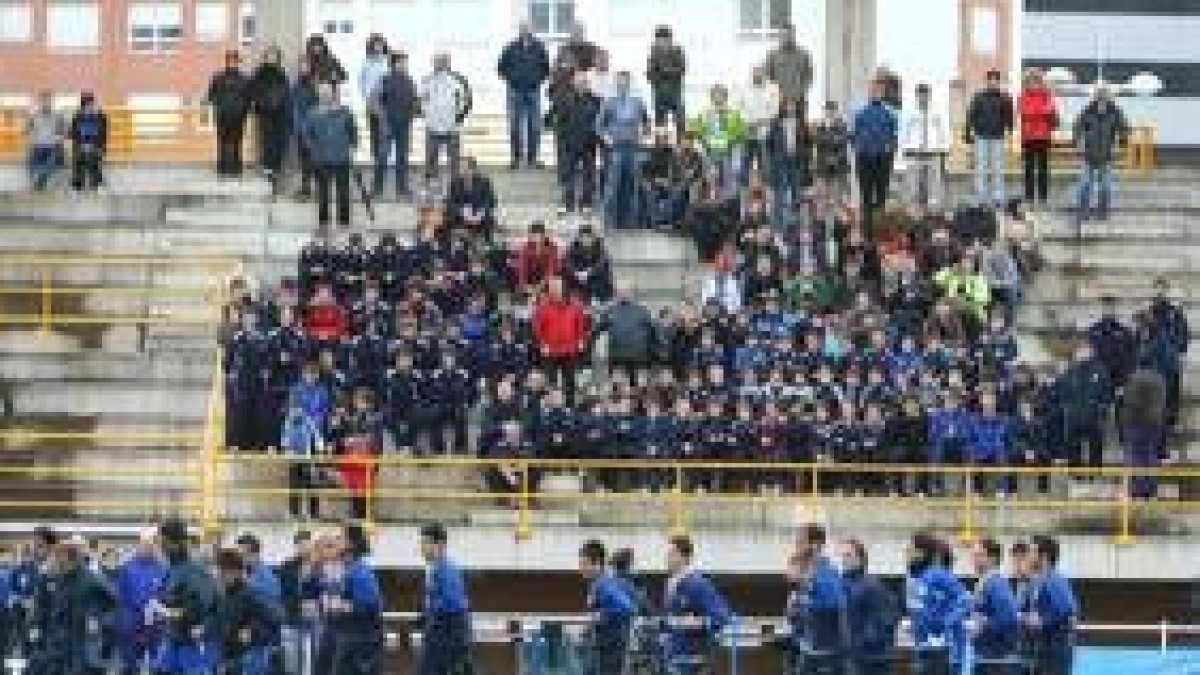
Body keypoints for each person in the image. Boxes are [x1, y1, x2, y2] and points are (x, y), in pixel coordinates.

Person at [28, 541, 115, 674]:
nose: (56, 562)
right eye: (56, 558)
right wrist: (35, 629)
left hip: (82, 643)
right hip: (56, 643)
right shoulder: (53, 578)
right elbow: (41, 606)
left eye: (59, 558)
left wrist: (99, 621)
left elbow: (112, 603)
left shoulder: (92, 579)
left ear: (71, 559)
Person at [151, 518, 221, 675]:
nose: (160, 547)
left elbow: (204, 607)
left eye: (163, 542)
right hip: (173, 639)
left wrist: (170, 613)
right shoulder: (171, 570)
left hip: (193, 645)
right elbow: (165, 598)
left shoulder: (194, 572)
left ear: (176, 543)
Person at [311, 528, 384, 674]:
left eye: (340, 538)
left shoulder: (361, 573)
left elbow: (369, 607)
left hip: (358, 646)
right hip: (345, 640)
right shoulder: (346, 570)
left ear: (350, 545)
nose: (335, 542)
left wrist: (340, 606)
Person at [663, 535, 731, 675]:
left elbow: (722, 616)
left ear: (686, 558)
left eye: (672, 554)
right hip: (673, 656)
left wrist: (698, 622)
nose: (667, 558)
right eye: (668, 554)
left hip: (693, 659)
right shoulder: (671, 583)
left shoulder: (698, 584)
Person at [785, 524, 846, 674]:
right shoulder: (804, 573)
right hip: (806, 649)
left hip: (825, 654)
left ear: (815, 545)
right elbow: (797, 615)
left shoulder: (827, 573)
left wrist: (802, 602)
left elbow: (832, 606)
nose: (797, 546)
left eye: (801, 542)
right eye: (797, 542)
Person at [905, 532, 969, 674]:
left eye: (910, 550)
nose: (907, 553)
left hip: (942, 652)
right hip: (922, 648)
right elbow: (921, 610)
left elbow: (964, 600)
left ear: (921, 553)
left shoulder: (938, 575)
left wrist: (944, 626)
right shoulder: (916, 578)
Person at [214, 548, 282, 675]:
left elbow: (276, 618)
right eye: (219, 571)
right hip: (229, 657)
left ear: (238, 572)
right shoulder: (221, 596)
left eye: (225, 572)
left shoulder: (250, 594)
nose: (220, 575)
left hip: (249, 658)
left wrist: (252, 630)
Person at [596, 71, 650, 228]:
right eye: (620, 81)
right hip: (616, 148)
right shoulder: (609, 102)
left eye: (625, 81)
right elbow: (599, 125)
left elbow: (646, 122)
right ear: (616, 83)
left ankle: (627, 220)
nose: (623, 84)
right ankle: (609, 220)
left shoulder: (638, 102)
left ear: (629, 83)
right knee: (613, 185)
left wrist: (644, 137)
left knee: (630, 184)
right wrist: (608, 139)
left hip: (633, 148)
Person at [302, 83, 358, 232]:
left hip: (342, 158)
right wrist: (314, 150)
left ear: (332, 93)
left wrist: (351, 147)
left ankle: (344, 222)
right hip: (321, 160)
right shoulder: (312, 113)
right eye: (322, 92)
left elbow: (353, 132)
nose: (325, 94)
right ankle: (323, 222)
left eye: (327, 92)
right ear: (318, 94)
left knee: (343, 192)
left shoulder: (345, 112)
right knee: (323, 192)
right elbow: (306, 134)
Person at [418, 523, 473, 675]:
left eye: (425, 543)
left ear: (440, 544)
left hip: (447, 642)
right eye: (421, 543)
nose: (422, 548)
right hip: (440, 640)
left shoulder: (447, 570)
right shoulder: (436, 569)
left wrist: (431, 609)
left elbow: (453, 603)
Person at [546, 69, 602, 214]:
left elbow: (602, 121)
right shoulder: (562, 98)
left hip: (589, 143)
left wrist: (597, 136)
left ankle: (586, 203)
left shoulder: (596, 100)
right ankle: (567, 203)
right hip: (568, 143)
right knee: (568, 175)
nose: (582, 84)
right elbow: (549, 118)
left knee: (589, 174)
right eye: (579, 81)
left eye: (585, 82)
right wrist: (560, 131)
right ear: (573, 82)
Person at [577, 540, 636, 675]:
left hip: (611, 649)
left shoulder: (606, 584)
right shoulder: (597, 583)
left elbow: (627, 608)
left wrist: (601, 616)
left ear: (597, 563)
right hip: (600, 646)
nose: (581, 568)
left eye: (584, 564)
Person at [1073, 86, 1129, 225]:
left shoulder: (1115, 112)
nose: (1102, 97)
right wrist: (1078, 141)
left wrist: (1122, 141)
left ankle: (1103, 211)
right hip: (1089, 154)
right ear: (1096, 97)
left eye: (1105, 95)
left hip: (1107, 154)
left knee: (1105, 186)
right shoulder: (1088, 110)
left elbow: (1124, 128)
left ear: (1109, 97)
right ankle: (1083, 211)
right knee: (1085, 184)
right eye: (1100, 95)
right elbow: (1077, 126)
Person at [498, 21, 550, 169]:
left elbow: (546, 68)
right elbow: (501, 67)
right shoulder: (511, 47)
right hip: (515, 91)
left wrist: (537, 79)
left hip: (533, 91)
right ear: (519, 31)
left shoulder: (539, 47)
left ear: (531, 30)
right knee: (515, 125)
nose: (525, 30)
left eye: (527, 28)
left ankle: (533, 159)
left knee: (535, 126)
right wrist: (512, 78)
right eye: (522, 28)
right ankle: (516, 159)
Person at [1023, 536, 1078, 675]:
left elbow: (1068, 610)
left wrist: (1042, 621)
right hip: (1041, 650)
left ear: (1044, 556)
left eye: (1031, 552)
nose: (1027, 556)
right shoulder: (1037, 581)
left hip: (1055, 653)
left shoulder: (1054, 579)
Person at [114, 529, 167, 675]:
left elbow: (166, 596)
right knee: (130, 664)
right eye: (145, 544)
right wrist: (122, 621)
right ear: (139, 544)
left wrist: (160, 616)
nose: (148, 548)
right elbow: (120, 597)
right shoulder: (126, 568)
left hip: (156, 624)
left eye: (152, 545)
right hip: (131, 623)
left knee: (158, 664)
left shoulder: (163, 568)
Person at [840, 539, 896, 674]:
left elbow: (886, 620)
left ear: (861, 559)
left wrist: (861, 643)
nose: (844, 560)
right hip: (852, 657)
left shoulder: (872, 585)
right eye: (843, 556)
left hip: (870, 659)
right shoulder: (844, 584)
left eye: (848, 555)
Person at [967, 538, 1022, 673]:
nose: (974, 560)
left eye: (979, 555)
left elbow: (1009, 619)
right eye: (974, 555)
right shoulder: (984, 583)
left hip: (995, 658)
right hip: (984, 653)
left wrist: (984, 625)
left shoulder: (997, 584)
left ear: (992, 559)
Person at [852, 79, 899, 234]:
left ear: (883, 94)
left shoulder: (889, 115)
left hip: (882, 161)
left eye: (879, 91)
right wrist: (859, 148)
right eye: (874, 91)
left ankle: (880, 231)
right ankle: (866, 232)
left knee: (881, 197)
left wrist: (889, 151)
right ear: (869, 93)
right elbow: (854, 136)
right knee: (865, 197)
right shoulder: (860, 114)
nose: (876, 93)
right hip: (864, 160)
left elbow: (894, 138)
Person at [533, 277, 589, 405]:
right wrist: (542, 344)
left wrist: (580, 341)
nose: (556, 291)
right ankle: (551, 405)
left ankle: (569, 406)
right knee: (551, 382)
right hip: (550, 352)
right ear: (549, 290)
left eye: (558, 288)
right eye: (553, 288)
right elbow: (537, 328)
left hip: (569, 350)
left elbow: (581, 325)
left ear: (563, 289)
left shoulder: (575, 306)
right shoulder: (542, 307)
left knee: (569, 381)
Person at [1056, 343, 1112, 470]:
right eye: (1080, 352)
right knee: (1073, 448)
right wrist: (1067, 407)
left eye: (1085, 351)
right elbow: (1061, 390)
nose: (1082, 354)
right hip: (1074, 418)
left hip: (1094, 417)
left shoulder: (1100, 370)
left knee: (1096, 447)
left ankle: (1095, 474)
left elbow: (1107, 392)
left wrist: (1102, 408)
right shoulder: (1071, 371)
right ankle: (1075, 475)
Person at [372, 50, 419, 200]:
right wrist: (383, 117)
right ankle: (377, 189)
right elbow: (374, 101)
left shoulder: (410, 80)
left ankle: (402, 189)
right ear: (395, 63)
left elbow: (414, 101)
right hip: (388, 125)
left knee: (402, 157)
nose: (405, 65)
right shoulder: (384, 79)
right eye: (403, 62)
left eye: (406, 62)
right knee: (382, 156)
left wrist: (415, 111)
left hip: (404, 125)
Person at [419, 52, 473, 183]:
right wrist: (427, 118)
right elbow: (422, 100)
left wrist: (458, 118)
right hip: (432, 127)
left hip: (452, 127)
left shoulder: (459, 79)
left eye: (443, 61)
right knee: (431, 159)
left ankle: (456, 186)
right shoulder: (427, 80)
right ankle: (430, 187)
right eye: (437, 61)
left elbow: (467, 100)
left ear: (448, 63)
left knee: (454, 160)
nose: (440, 64)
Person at [965, 69, 1015, 209]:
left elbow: (1009, 116)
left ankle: (998, 196)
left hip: (998, 136)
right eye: (990, 79)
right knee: (980, 167)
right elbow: (971, 114)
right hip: (981, 135)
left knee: (998, 167)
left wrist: (1010, 131)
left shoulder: (1005, 98)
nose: (993, 82)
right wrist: (968, 131)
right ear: (986, 81)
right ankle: (980, 196)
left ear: (998, 81)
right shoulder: (978, 96)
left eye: (995, 79)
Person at [689, 84, 746, 198]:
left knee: (730, 181)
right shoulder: (704, 113)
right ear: (711, 97)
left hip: (729, 152)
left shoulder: (734, 113)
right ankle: (713, 201)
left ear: (726, 96)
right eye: (715, 95)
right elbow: (694, 128)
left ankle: (731, 203)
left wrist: (732, 143)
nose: (718, 97)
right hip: (710, 152)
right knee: (712, 180)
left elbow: (741, 131)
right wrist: (703, 141)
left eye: (720, 95)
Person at [1121, 361, 1167, 499]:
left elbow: (1132, 401)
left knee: (1135, 456)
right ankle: (1150, 488)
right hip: (1155, 422)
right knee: (1150, 455)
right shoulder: (1159, 378)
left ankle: (1137, 489)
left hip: (1137, 422)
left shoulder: (1136, 378)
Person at [901, 83, 950, 208]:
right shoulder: (909, 111)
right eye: (920, 94)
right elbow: (904, 130)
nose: (923, 97)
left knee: (934, 179)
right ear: (917, 96)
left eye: (925, 94)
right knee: (912, 179)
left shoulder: (937, 111)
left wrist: (944, 147)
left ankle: (933, 204)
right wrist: (904, 147)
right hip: (914, 150)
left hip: (933, 150)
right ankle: (913, 203)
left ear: (929, 95)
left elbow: (943, 129)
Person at [249, 45, 292, 184]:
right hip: (265, 112)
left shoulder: (282, 73)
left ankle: (276, 168)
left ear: (278, 58)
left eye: (275, 56)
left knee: (279, 140)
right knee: (267, 140)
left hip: (280, 113)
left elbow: (286, 91)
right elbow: (254, 91)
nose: (272, 58)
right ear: (266, 58)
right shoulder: (259, 73)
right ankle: (268, 168)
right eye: (269, 56)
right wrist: (265, 103)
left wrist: (279, 102)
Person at [207, 49, 252, 177]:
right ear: (226, 62)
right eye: (230, 60)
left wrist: (242, 107)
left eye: (235, 60)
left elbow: (249, 97)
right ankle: (222, 168)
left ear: (238, 62)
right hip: (222, 115)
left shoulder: (245, 79)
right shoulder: (218, 77)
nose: (232, 63)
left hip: (239, 116)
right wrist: (220, 105)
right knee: (222, 141)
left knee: (237, 141)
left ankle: (236, 168)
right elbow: (211, 95)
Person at [1018, 69, 1058, 208]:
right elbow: (1025, 112)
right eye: (1031, 80)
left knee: (1043, 169)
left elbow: (1051, 113)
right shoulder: (1023, 96)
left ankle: (1043, 198)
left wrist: (1043, 111)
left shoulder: (1047, 96)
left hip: (1043, 136)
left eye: (1037, 80)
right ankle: (1029, 198)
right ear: (1027, 82)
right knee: (1028, 169)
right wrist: (1042, 111)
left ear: (1041, 82)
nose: (1034, 83)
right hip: (1028, 136)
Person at [600, 280, 656, 380]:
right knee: (618, 388)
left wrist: (654, 355)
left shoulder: (643, 311)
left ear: (632, 292)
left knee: (638, 389)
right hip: (616, 358)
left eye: (626, 290)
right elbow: (597, 330)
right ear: (616, 293)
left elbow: (654, 333)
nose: (623, 293)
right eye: (620, 291)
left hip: (639, 358)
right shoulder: (609, 311)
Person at [767, 95, 809, 222]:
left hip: (796, 161)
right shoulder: (776, 122)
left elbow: (807, 142)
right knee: (780, 193)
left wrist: (804, 158)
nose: (790, 108)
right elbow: (769, 143)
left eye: (793, 105)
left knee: (797, 192)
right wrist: (774, 159)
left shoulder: (801, 122)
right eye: (788, 105)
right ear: (783, 107)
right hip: (780, 162)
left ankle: (795, 223)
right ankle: (779, 224)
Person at [739, 66, 780, 186]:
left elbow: (774, 110)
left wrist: (760, 122)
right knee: (745, 167)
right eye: (755, 74)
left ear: (764, 75)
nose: (757, 76)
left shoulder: (773, 89)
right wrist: (748, 122)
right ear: (751, 75)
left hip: (765, 133)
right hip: (748, 133)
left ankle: (766, 197)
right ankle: (743, 197)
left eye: (760, 74)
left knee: (766, 167)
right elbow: (738, 108)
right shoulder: (744, 88)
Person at [763, 24, 813, 119]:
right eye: (784, 34)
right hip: (778, 101)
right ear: (780, 36)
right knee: (778, 129)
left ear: (794, 35)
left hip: (799, 100)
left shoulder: (803, 54)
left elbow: (809, 76)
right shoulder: (772, 55)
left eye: (790, 34)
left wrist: (796, 94)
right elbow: (768, 76)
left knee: (800, 129)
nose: (787, 37)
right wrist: (778, 94)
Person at [811, 100, 852, 214]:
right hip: (822, 165)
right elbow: (817, 140)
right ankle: (823, 223)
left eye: (832, 110)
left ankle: (836, 223)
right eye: (827, 110)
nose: (830, 112)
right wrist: (832, 139)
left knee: (837, 197)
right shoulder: (820, 125)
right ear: (824, 111)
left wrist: (829, 142)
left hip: (838, 165)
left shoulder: (842, 124)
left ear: (836, 111)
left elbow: (843, 140)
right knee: (822, 197)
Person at [646, 25, 687, 139]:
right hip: (659, 93)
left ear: (670, 39)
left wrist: (663, 70)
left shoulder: (678, 51)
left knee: (680, 121)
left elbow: (681, 70)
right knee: (660, 124)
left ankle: (681, 145)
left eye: (665, 39)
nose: (663, 42)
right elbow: (650, 75)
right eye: (659, 40)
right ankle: (661, 148)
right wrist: (666, 71)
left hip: (675, 92)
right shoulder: (653, 53)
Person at [445, 156, 498, 237]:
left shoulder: (484, 182)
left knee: (489, 221)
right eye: (461, 168)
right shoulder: (455, 183)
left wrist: (479, 214)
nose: (464, 171)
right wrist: (462, 212)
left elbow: (491, 201)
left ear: (473, 169)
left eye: (466, 168)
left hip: (480, 216)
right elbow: (450, 202)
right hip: (462, 217)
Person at [291, 55, 321, 200]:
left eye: (306, 66)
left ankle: (317, 189)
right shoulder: (297, 84)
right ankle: (306, 189)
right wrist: (297, 126)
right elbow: (295, 106)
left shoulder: (314, 84)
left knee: (313, 159)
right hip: (300, 128)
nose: (303, 68)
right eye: (301, 66)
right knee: (304, 161)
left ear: (310, 67)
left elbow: (318, 106)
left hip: (312, 128)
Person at [25, 90, 66, 191]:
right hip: (38, 145)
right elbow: (26, 130)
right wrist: (31, 135)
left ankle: (40, 180)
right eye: (43, 100)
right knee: (30, 160)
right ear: (40, 102)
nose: (46, 103)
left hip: (52, 146)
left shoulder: (58, 116)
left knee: (55, 159)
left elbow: (63, 132)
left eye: (48, 100)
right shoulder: (34, 116)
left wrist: (59, 138)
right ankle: (39, 180)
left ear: (51, 102)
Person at [360, 34, 391, 163]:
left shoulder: (388, 61)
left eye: (380, 44)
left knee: (386, 130)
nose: (378, 47)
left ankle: (386, 157)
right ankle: (376, 158)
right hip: (372, 99)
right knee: (374, 130)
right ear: (371, 46)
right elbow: (362, 81)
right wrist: (367, 97)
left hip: (386, 99)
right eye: (375, 44)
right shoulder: (367, 62)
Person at [68, 92, 107, 192]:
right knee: (79, 157)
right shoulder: (77, 116)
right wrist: (82, 145)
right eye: (86, 105)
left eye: (91, 104)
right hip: (80, 145)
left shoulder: (101, 116)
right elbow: (73, 133)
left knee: (93, 157)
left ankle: (97, 184)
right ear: (83, 106)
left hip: (96, 145)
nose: (89, 107)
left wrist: (97, 146)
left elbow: (103, 134)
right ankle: (77, 185)